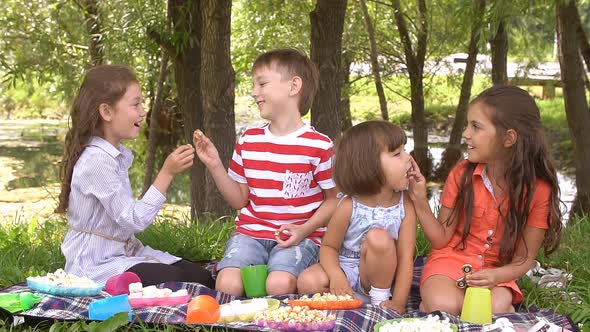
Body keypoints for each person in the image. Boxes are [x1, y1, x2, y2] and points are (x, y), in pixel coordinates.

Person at [193, 48, 338, 296]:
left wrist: (303, 230)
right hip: (251, 233)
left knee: (278, 285)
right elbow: (239, 199)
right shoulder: (248, 140)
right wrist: (215, 164)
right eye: (253, 85)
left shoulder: (320, 146)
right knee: (227, 285)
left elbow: (334, 200)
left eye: (262, 83)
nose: (253, 92)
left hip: (300, 237)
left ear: (294, 86)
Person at [407, 85, 563, 315]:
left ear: (508, 138)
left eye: (476, 127)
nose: (466, 134)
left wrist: (496, 276)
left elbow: (524, 259)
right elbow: (441, 240)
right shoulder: (461, 174)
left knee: (495, 307)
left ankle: (497, 308)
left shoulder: (539, 190)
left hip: (496, 271)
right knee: (444, 305)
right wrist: (420, 201)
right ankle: (432, 305)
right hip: (449, 260)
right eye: (468, 125)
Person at [57, 64, 214, 287]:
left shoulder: (115, 155)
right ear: (107, 112)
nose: (142, 111)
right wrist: (167, 172)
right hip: (94, 264)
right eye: (135, 104)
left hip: (124, 252)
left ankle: (130, 283)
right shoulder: (96, 161)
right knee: (178, 283)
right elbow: (134, 219)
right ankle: (113, 288)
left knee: (202, 278)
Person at [297, 120, 417, 313]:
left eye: (405, 151)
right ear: (369, 166)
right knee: (306, 282)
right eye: (397, 154)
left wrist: (399, 304)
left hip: (379, 275)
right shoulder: (348, 205)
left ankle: (379, 302)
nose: (408, 159)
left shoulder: (405, 205)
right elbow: (328, 247)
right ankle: (351, 300)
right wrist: (336, 276)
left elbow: (405, 258)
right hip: (346, 268)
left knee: (379, 238)